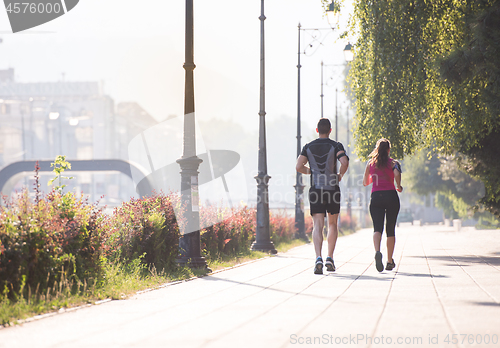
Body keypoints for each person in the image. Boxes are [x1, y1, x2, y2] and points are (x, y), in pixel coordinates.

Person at [296, 118, 349, 274]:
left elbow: (298, 166)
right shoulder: (336, 145)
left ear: (317, 130)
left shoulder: (308, 147)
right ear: (330, 130)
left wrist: (311, 172)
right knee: (332, 224)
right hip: (332, 189)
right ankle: (329, 258)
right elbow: (344, 162)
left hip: (316, 190)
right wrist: (339, 175)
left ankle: (318, 257)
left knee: (317, 224)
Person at [362, 138, 403, 272]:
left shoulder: (371, 163)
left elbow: (365, 182)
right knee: (390, 229)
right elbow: (397, 173)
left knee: (377, 228)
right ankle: (389, 261)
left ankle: (377, 251)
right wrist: (398, 185)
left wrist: (374, 178)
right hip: (391, 196)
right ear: (388, 150)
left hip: (376, 197)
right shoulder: (393, 163)